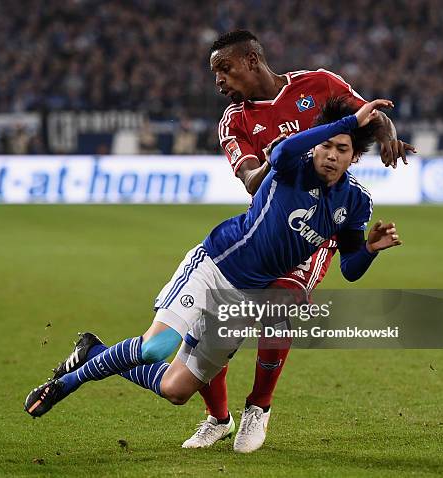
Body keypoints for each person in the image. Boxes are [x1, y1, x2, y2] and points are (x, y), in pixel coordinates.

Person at [24, 97, 403, 453]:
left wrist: (370, 250)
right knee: (156, 347)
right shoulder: (292, 164)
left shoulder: (356, 201)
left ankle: (94, 351)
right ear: (316, 145)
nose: (332, 155)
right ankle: (65, 384)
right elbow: (286, 150)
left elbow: (350, 269)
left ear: (354, 158)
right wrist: (351, 121)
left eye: (343, 149)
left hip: (246, 300)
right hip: (214, 266)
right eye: (328, 145)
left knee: (175, 390)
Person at [179, 30, 416, 452]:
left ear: (251, 60)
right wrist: (284, 154)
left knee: (279, 305)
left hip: (315, 226)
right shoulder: (235, 120)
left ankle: (259, 407)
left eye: (224, 69)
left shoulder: (318, 84)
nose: (218, 82)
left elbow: (372, 115)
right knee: (216, 320)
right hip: (265, 225)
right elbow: (253, 182)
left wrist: (386, 138)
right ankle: (217, 418)